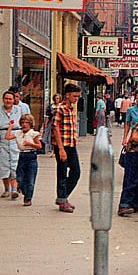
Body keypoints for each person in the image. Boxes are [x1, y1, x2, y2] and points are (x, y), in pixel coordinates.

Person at [0, 90, 22, 198]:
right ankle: (7, 189)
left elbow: (26, 124)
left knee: (15, 165)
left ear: (13, 100)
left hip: (15, 137)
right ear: (3, 99)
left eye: (10, 99)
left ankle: (14, 190)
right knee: (3, 165)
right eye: (6, 99)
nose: (8, 101)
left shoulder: (19, 110)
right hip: (1, 139)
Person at [53, 83, 82, 213]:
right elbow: (56, 129)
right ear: (67, 95)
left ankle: (62, 197)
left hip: (71, 144)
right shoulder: (60, 108)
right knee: (62, 173)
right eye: (74, 96)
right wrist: (60, 149)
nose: (76, 99)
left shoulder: (71, 109)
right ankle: (62, 199)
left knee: (76, 172)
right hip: (62, 145)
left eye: (78, 96)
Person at [5, 114, 41, 206]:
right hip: (22, 156)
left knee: (30, 180)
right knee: (20, 178)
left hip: (31, 156)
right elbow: (7, 137)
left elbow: (39, 146)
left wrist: (30, 143)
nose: (24, 125)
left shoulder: (33, 134)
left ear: (30, 124)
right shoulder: (18, 133)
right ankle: (23, 190)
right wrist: (10, 127)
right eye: (23, 122)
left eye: (27, 123)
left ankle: (28, 198)